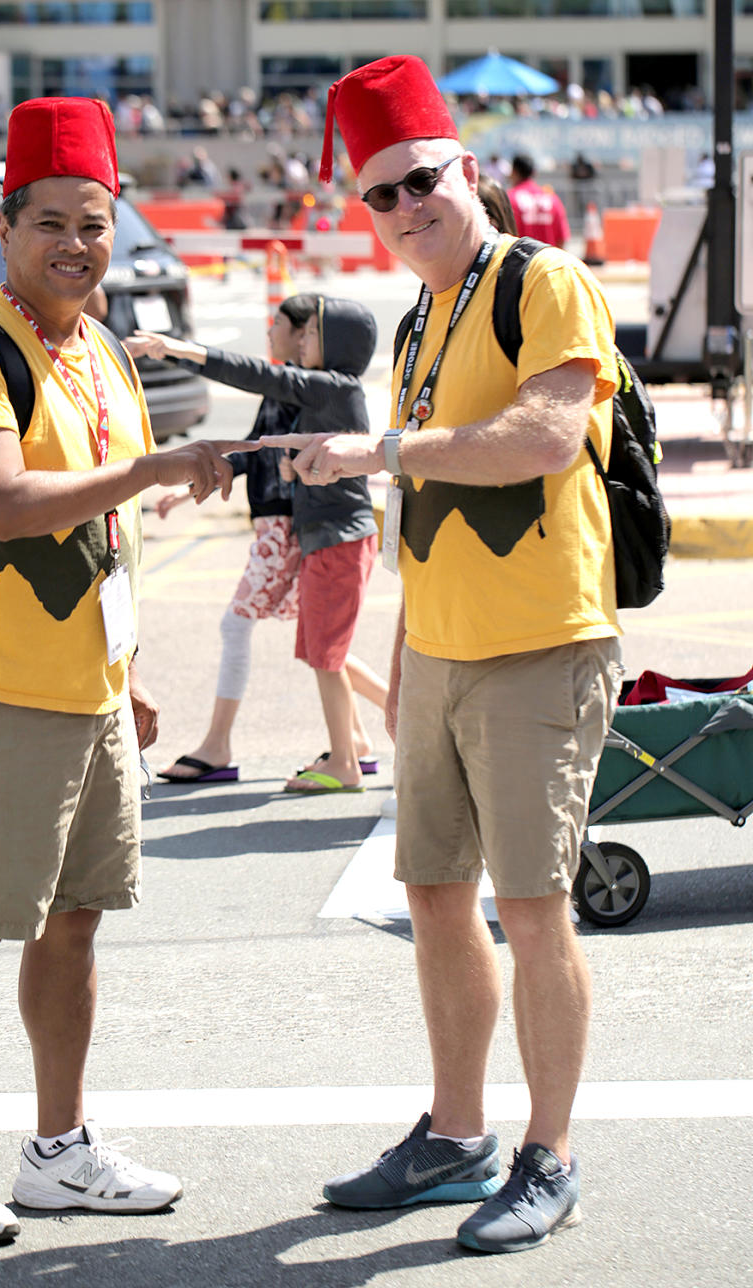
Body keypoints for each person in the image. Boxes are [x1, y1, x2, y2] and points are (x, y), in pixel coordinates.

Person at [263, 55, 621, 1254]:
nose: (408, 206)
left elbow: (543, 437)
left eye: (422, 179)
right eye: (380, 195)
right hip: (448, 655)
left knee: (531, 907)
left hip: (541, 645)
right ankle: (457, 1136)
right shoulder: (425, 316)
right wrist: (409, 652)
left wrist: (380, 451)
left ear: (466, 169)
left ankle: (549, 1153)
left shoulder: (539, 280)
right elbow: (428, 499)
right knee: (431, 896)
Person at [0, 94, 242, 1247]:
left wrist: (126, 669)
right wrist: (153, 470)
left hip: (86, 694)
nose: (78, 245)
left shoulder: (97, 353)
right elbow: (3, 500)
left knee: (76, 923)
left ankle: (59, 1148)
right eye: (52, 222)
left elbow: (106, 545)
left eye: (96, 222)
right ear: (7, 221)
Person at [128, 293, 386, 794]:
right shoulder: (325, 393)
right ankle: (360, 742)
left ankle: (346, 763)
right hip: (322, 538)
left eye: (311, 333)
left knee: (325, 657)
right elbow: (263, 441)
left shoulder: (331, 387)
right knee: (323, 652)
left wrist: (179, 349)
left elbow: (257, 374)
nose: (299, 341)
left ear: (334, 345)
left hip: (336, 540)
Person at [507, 153, 571, 249]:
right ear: (534, 172)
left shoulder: (508, 198)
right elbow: (561, 238)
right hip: (548, 261)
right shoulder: (552, 199)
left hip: (519, 262)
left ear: (514, 171)